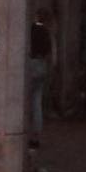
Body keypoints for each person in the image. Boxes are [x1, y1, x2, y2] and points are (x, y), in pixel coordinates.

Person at [29, 8, 55, 148]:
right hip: (41, 66)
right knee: (36, 102)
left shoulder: (32, 29)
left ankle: (21, 133)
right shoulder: (46, 31)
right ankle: (36, 137)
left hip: (30, 64)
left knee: (23, 103)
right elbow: (49, 53)